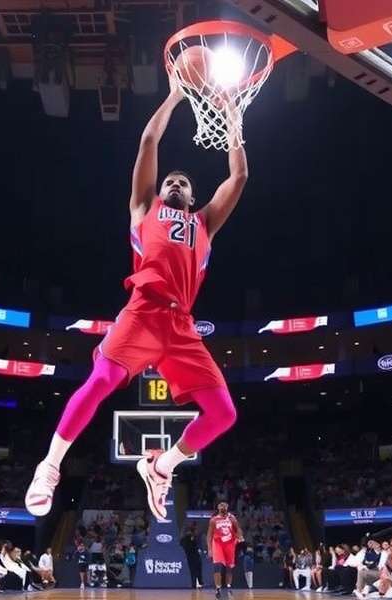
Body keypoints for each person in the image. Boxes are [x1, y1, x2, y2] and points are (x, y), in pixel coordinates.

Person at [25, 77, 248, 523]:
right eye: (171, 179)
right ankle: (49, 466)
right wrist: (177, 94)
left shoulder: (205, 223)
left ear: (193, 197)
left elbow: (239, 175)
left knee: (224, 414)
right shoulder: (143, 209)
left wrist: (232, 115)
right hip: (143, 311)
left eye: (183, 182)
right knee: (101, 381)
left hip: (181, 326)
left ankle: (161, 466)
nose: (177, 183)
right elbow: (149, 139)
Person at [207, 502, 245, 598]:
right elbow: (209, 535)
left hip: (230, 544)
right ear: (218, 508)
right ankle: (218, 588)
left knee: (229, 568)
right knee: (217, 567)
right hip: (218, 544)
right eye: (221, 506)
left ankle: (228, 587)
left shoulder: (232, 518)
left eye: (225, 506)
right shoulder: (214, 520)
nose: (223, 508)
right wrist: (209, 548)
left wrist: (240, 536)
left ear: (227, 508)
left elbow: (238, 529)